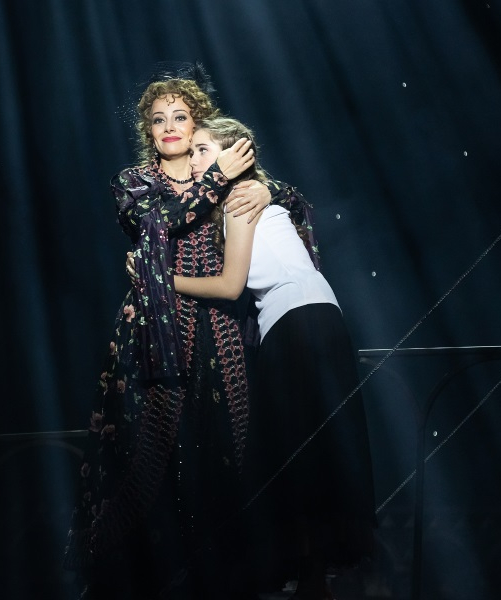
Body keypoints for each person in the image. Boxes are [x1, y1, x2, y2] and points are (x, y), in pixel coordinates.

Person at [64, 64, 305, 600]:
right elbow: (157, 224)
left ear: (198, 122)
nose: (170, 127)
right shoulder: (134, 182)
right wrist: (220, 178)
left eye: (180, 117)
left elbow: (294, 201)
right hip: (154, 332)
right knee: (146, 455)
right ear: (147, 131)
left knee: (224, 456)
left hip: (222, 330)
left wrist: (261, 191)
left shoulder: (221, 172)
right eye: (158, 119)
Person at [139, 116, 377, 599]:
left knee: (296, 452)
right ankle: (315, 579)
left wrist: (158, 280)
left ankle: (312, 580)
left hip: (297, 322)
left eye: (204, 150)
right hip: (314, 318)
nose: (196, 160)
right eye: (194, 151)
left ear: (235, 155)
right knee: (308, 448)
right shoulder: (247, 197)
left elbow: (230, 286)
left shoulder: (240, 199)